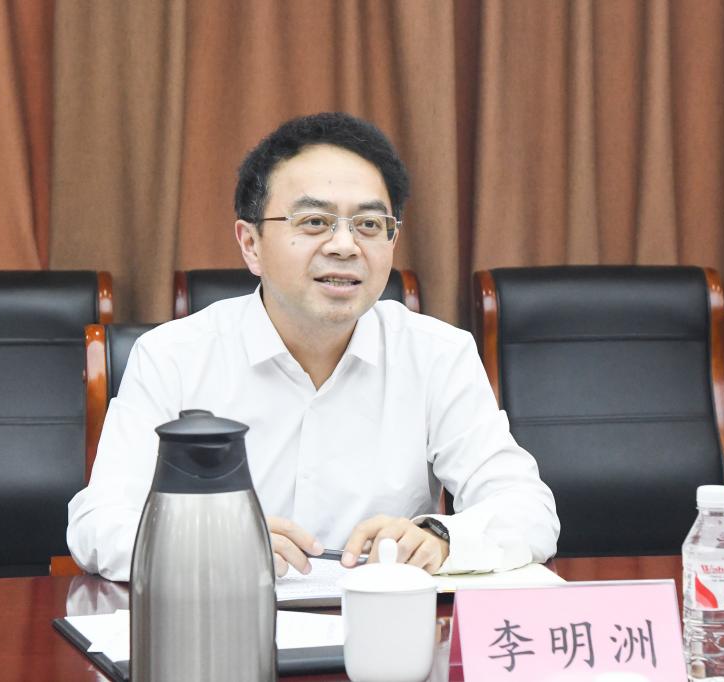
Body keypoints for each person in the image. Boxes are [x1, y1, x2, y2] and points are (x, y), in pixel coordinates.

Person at [67, 112, 559, 581]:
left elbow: (527, 508)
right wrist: (213, 547)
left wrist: (441, 538)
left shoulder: (438, 355)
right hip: (228, 620)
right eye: (314, 222)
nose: (345, 246)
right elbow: (98, 523)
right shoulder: (173, 357)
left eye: (369, 225)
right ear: (251, 244)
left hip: (384, 626)